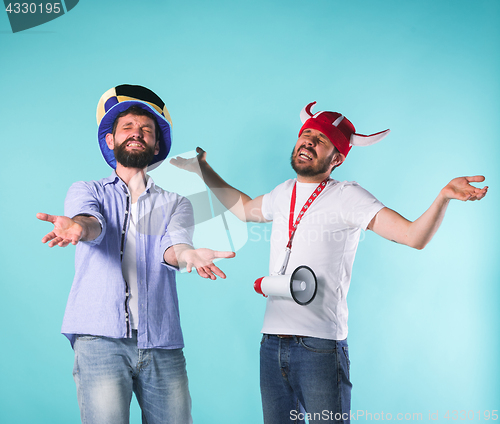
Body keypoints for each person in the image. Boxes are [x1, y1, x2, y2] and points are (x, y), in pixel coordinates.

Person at [170, 101, 488, 423]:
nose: (308, 141)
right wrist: (201, 169)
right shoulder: (284, 192)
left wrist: (443, 197)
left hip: (319, 347)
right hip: (271, 344)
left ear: (336, 158)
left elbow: (412, 236)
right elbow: (243, 209)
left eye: (321, 139)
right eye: (306, 134)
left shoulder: (348, 196)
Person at [37, 84, 235, 424]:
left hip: (161, 342)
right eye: (127, 127)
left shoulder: (176, 203)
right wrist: (78, 228)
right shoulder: (87, 190)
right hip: (99, 340)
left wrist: (188, 256)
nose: (137, 133)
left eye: (146, 130)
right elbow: (92, 223)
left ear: (156, 145)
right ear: (111, 141)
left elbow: (172, 248)